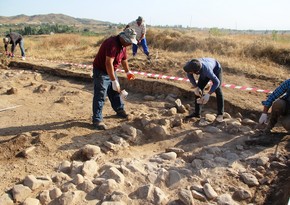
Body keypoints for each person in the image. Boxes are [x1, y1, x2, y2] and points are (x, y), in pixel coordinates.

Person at [92, 28, 137, 130]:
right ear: (123, 38)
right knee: (100, 95)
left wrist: (128, 72)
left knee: (115, 91)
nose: (130, 44)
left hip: (111, 70)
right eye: (129, 42)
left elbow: (124, 60)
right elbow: (108, 63)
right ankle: (97, 120)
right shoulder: (112, 44)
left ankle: (119, 110)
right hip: (101, 71)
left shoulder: (123, 45)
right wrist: (113, 80)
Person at [183, 58, 224, 122]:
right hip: (204, 68)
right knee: (199, 89)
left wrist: (208, 94)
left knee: (218, 90)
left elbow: (217, 82)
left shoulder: (207, 71)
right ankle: (197, 113)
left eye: (190, 72)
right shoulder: (189, 66)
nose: (189, 73)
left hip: (216, 69)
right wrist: (196, 87)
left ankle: (220, 114)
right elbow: (190, 77)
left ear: (196, 71)